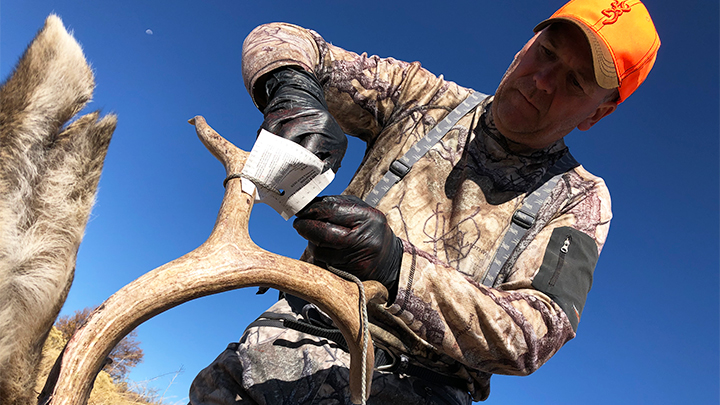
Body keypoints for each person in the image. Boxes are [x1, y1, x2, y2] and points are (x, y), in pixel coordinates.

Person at [190, 0, 660, 403]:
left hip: (417, 389)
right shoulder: (423, 99)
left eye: (575, 82)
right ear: (525, 45)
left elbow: (535, 332)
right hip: (280, 349)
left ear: (598, 112)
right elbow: (279, 37)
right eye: (546, 53)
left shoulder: (581, 198)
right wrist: (293, 93)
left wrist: (397, 267)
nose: (541, 81)